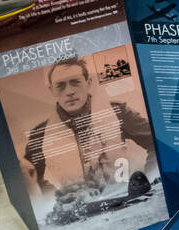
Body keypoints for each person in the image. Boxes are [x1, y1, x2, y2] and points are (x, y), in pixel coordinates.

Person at [20, 57, 155, 195]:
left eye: (75, 82)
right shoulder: (40, 134)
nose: (69, 91)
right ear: (51, 90)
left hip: (128, 201)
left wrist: (149, 180)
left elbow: (157, 144)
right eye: (60, 85)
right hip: (80, 212)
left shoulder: (118, 112)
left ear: (88, 82)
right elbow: (30, 179)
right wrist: (57, 199)